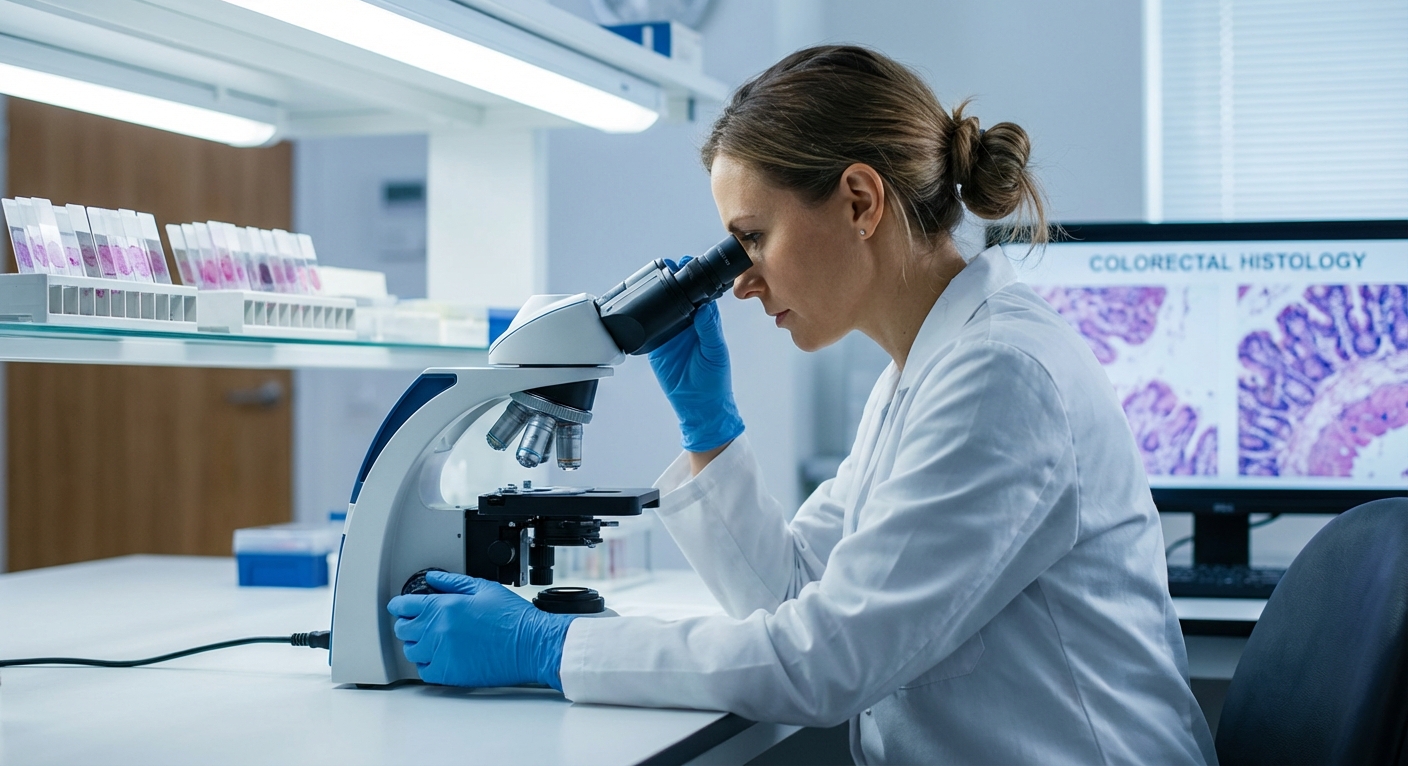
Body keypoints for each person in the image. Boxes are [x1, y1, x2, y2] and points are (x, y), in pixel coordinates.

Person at [387, 45, 1217, 765]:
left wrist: (548, 647)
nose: (742, 280)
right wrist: (710, 431)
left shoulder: (998, 377)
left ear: (860, 201)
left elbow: (823, 662)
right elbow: (794, 596)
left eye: (752, 237)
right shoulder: (920, 372)